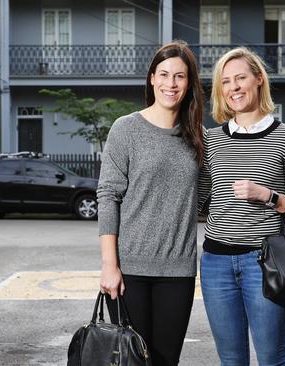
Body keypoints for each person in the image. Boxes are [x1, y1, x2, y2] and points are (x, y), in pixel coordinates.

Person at [197, 47, 285, 366]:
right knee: (231, 360)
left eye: (240, 78)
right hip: (215, 264)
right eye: (225, 81)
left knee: (271, 359)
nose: (233, 87)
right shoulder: (212, 140)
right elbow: (197, 202)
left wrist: (270, 196)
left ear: (258, 79)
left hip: (264, 264)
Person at [97, 41, 204, 366]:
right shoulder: (125, 129)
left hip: (178, 270)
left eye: (180, 77)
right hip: (130, 270)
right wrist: (109, 266)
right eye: (164, 74)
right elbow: (108, 196)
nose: (171, 84)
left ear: (189, 84)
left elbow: (204, 199)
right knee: (131, 361)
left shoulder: (198, 136)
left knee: (166, 360)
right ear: (152, 78)